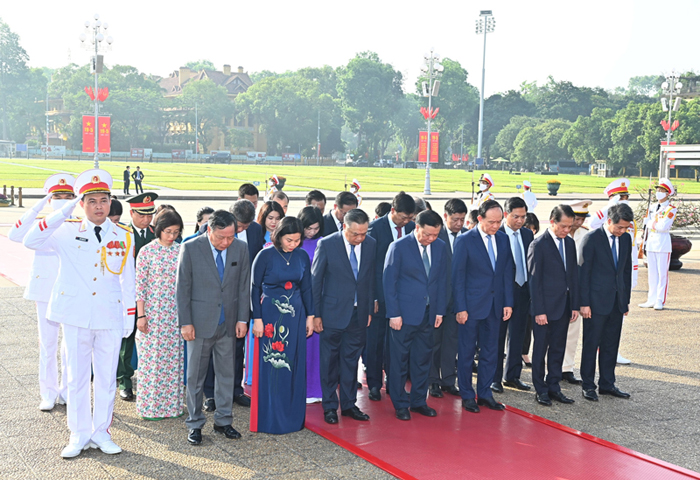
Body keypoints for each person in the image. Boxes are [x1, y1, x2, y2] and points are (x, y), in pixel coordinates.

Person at [24, 169, 135, 458]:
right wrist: (62, 211)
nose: (100, 206)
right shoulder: (66, 229)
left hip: (109, 315)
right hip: (75, 315)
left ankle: (101, 432)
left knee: (107, 379)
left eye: (104, 200)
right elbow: (30, 241)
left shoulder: (123, 235)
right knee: (76, 377)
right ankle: (78, 433)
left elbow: (128, 279)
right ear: (81, 204)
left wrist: (129, 317)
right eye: (92, 201)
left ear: (110, 202)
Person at [176, 209, 250, 445]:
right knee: (195, 376)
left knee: (227, 375)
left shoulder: (240, 248)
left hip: (228, 324)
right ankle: (195, 422)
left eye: (231, 237)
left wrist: (242, 319)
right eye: (221, 237)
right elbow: (182, 289)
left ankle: (224, 421)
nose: (226, 242)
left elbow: (242, 287)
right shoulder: (190, 248)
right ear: (209, 229)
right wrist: (185, 322)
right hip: (198, 324)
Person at [8, 173, 75, 411]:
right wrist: (38, 206)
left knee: (70, 345)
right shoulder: (41, 223)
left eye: (68, 196)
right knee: (47, 345)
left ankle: (66, 391)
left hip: (70, 291)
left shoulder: (76, 222)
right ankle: (48, 392)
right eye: (57, 196)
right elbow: (15, 235)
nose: (62, 200)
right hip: (45, 290)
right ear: (49, 198)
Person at [250, 217, 314, 434]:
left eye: (297, 240)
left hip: (295, 316)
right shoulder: (265, 255)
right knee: (273, 365)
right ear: (278, 235)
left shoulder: (302, 256)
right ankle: (271, 418)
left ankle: (292, 417)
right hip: (269, 316)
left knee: (293, 363)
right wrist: (256, 318)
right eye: (289, 240)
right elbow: (255, 288)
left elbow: (307, 288)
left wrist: (310, 316)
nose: (293, 244)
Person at [312, 209, 376, 424]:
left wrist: (367, 310)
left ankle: (349, 404)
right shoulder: (328, 244)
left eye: (364, 233)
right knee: (329, 362)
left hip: (358, 315)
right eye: (355, 234)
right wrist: (316, 314)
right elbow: (316, 282)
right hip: (331, 314)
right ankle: (330, 405)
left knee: (351, 361)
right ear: (344, 227)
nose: (360, 238)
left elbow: (369, 280)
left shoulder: (371, 244)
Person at [383, 210, 447, 420]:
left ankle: (419, 401)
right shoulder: (399, 247)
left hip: (428, 315)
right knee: (399, 361)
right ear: (417, 227)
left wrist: (439, 310)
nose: (431, 239)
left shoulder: (440, 247)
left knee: (423, 361)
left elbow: (442, 281)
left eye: (435, 235)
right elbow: (389, 282)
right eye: (427, 234)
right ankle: (400, 403)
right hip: (403, 315)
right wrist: (393, 314)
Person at [452, 200, 514, 413]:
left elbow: (507, 273)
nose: (496, 226)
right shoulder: (465, 240)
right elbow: (457, 277)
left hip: (495, 307)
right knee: (467, 352)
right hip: (470, 307)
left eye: (499, 221)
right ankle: (467, 394)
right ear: (479, 219)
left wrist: (508, 302)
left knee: (490, 351)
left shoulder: (504, 240)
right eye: (491, 222)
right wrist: (460, 307)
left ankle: (485, 393)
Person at [203, 200, 263, 412]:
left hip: (240, 299)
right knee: (210, 352)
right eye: (239, 225)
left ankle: (236, 390)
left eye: (245, 226)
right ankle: (210, 393)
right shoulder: (209, 230)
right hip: (213, 304)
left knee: (237, 349)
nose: (241, 230)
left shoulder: (256, 231)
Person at [135, 209, 186, 420]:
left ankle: (172, 407)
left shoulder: (182, 251)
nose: (171, 236)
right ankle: (150, 408)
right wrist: (141, 315)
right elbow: (140, 286)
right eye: (167, 231)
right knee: (151, 361)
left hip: (175, 315)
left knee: (173, 361)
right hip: (153, 314)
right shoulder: (147, 252)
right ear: (157, 230)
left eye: (175, 232)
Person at [579, 203, 633, 402]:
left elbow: (625, 271)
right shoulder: (592, 239)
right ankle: (588, 385)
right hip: (594, 303)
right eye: (619, 227)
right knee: (591, 344)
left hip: (616, 302)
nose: (622, 231)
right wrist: (584, 303)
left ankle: (607, 384)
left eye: (626, 228)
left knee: (611, 344)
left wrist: (625, 301)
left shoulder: (626, 239)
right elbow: (583, 274)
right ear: (609, 221)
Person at [528, 204, 580, 407]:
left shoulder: (569, 243)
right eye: (564, 226)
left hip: (564, 306)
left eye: (570, 226)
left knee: (558, 348)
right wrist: (539, 310)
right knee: (540, 350)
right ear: (552, 221)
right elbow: (534, 281)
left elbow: (573, 276)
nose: (567, 230)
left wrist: (574, 304)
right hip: (544, 308)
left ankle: (554, 386)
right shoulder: (539, 244)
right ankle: (540, 389)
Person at [366, 191, 415, 401]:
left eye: (409, 219)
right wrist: (374, 297)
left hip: (404, 299)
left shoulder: (413, 229)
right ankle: (374, 383)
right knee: (376, 342)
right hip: (381, 298)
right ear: (393, 211)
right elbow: (370, 268)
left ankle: (394, 381)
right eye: (403, 217)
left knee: (397, 345)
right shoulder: (374, 229)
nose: (406, 222)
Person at [117, 192, 159, 402]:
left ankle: (150, 380)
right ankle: (124, 380)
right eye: (142, 215)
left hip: (152, 296)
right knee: (127, 339)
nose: (146, 219)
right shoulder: (121, 234)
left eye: (149, 214)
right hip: (127, 294)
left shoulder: (156, 233)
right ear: (132, 212)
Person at [491, 197, 534, 394]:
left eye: (523, 217)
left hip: (523, 291)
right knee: (498, 337)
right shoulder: (497, 234)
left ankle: (513, 376)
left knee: (518, 336)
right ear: (506, 215)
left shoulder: (527, 235)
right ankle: (495, 378)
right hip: (502, 294)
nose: (520, 220)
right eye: (516, 216)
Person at [429, 198, 467, 398]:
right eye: (455, 219)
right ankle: (433, 380)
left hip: (458, 301)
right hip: (437, 300)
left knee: (452, 341)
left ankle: (448, 380)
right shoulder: (436, 236)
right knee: (434, 342)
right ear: (445, 217)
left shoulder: (468, 237)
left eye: (462, 219)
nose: (459, 223)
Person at [558, 200, 593, 386]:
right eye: (576, 219)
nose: (578, 223)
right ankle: (552, 367)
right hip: (557, 290)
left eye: (581, 219)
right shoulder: (556, 234)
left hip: (576, 290)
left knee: (573, 331)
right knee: (554, 331)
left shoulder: (586, 235)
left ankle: (567, 368)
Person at [298, 206, 324, 403]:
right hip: (297, 299)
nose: (311, 232)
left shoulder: (323, 243)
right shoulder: (295, 244)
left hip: (317, 300)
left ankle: (315, 388)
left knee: (316, 348)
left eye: (315, 228)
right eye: (308, 228)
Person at [639, 178, 677, 311]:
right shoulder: (653, 207)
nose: (658, 193)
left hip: (662, 244)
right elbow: (648, 226)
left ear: (667, 193)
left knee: (662, 274)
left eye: (661, 190)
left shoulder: (671, 209)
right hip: (651, 243)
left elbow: (663, 226)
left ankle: (660, 300)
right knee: (652, 273)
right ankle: (651, 298)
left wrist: (649, 223)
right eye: (657, 190)